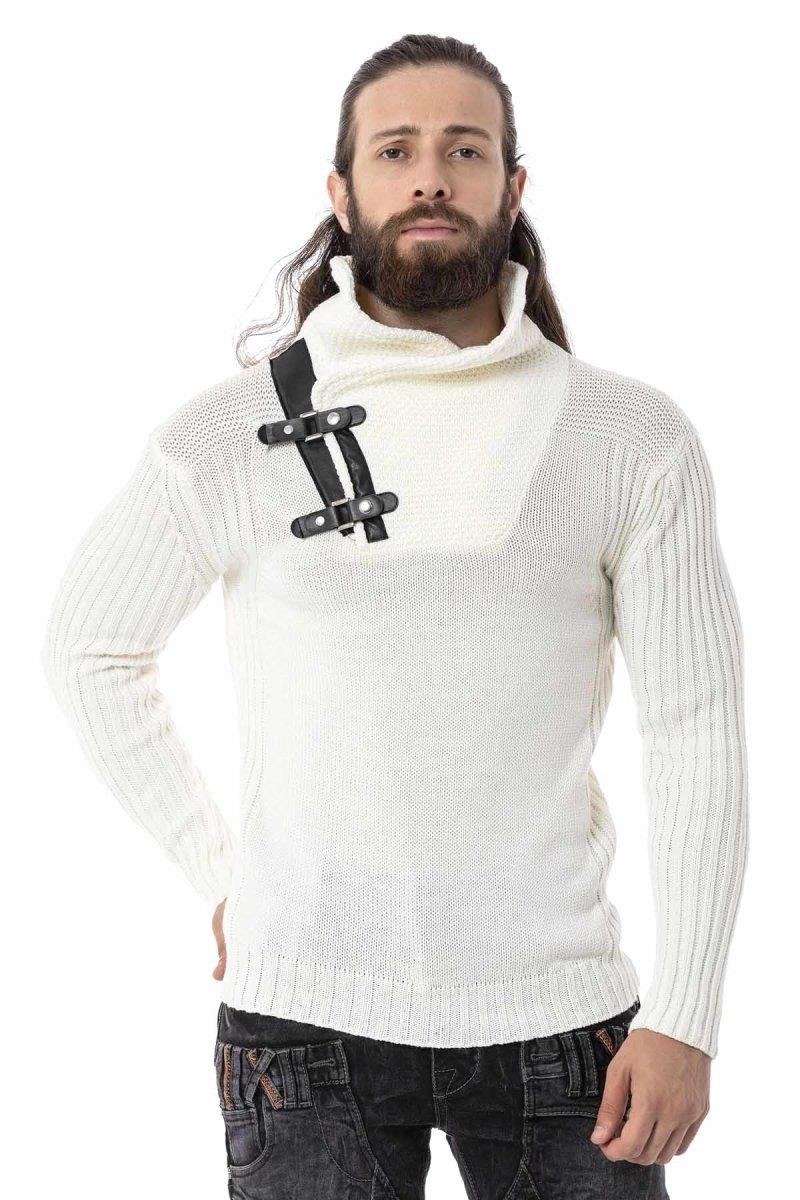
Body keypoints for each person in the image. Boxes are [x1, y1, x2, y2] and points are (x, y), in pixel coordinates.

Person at [41, 32, 749, 1200]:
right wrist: (222, 869)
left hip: (565, 1026)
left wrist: (687, 1014)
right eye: (395, 150)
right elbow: (88, 648)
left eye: (463, 151)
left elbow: (693, 726)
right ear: (341, 191)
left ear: (512, 188)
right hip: (301, 1026)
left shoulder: (630, 438)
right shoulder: (227, 437)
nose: (429, 177)